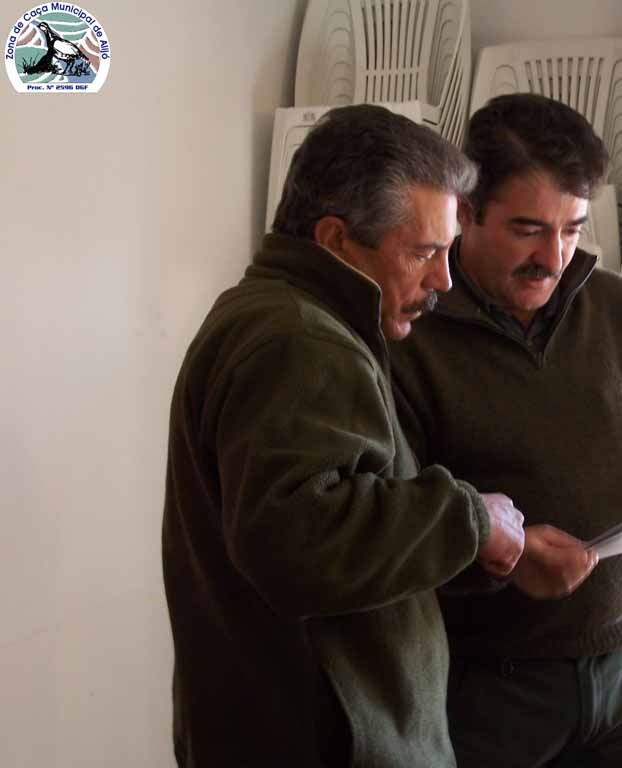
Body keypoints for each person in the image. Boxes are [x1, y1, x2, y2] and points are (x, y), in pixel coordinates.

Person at [388, 92, 622, 767]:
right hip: (486, 684)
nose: (553, 256)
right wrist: (503, 556)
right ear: (465, 210)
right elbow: (397, 518)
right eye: (528, 229)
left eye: (572, 229)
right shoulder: (412, 335)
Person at [161, 104, 526, 768]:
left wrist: (470, 547)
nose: (443, 280)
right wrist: (471, 519)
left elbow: (333, 533)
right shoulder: (299, 339)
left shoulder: (277, 316)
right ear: (335, 240)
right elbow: (298, 542)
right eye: (423, 252)